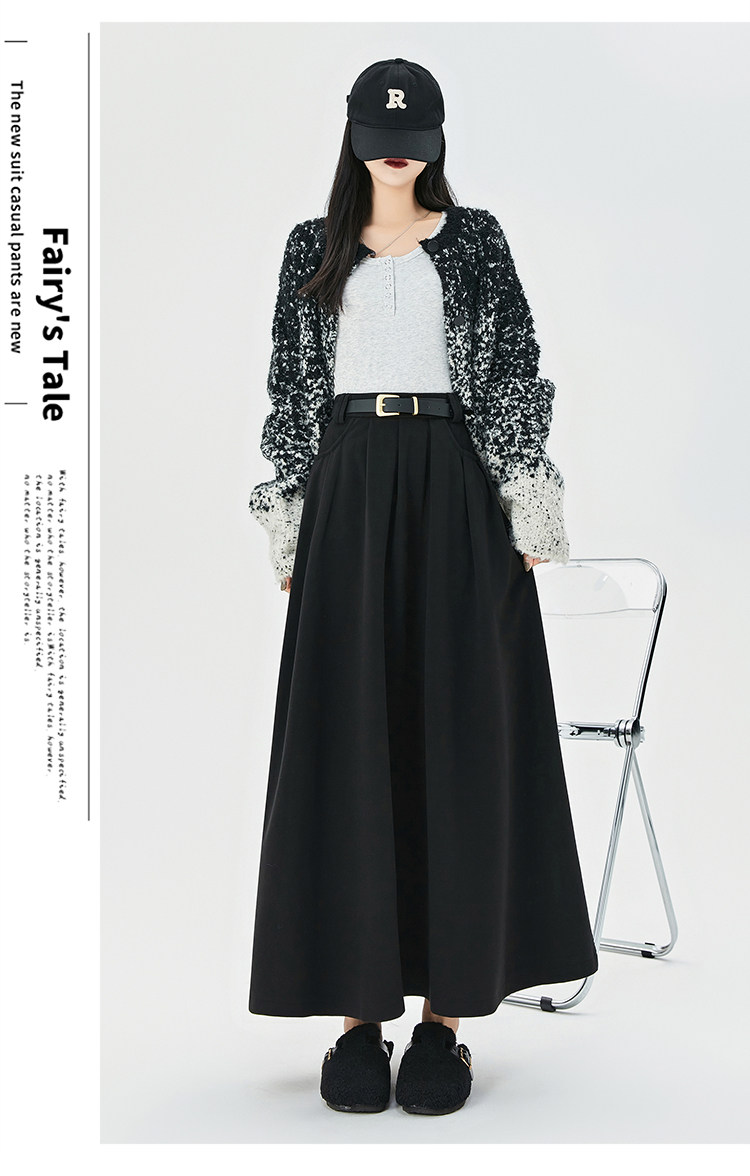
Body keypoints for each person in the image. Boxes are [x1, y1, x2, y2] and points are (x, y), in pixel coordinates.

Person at [246, 57, 599, 1116]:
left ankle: (445, 1020)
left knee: (461, 736)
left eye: (414, 139)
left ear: (436, 142)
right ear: (355, 140)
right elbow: (291, 388)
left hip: (456, 492)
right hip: (349, 492)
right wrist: (289, 513)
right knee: (349, 738)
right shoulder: (311, 249)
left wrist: (526, 494)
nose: (397, 154)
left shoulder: (476, 241)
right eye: (380, 137)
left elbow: (513, 371)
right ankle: (359, 1018)